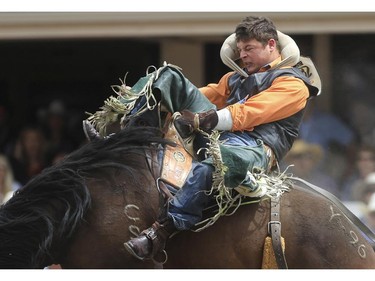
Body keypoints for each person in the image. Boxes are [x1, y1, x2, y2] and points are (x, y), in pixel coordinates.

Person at [84, 16, 320, 261]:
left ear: (272, 45)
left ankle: (161, 231)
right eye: (240, 50)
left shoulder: (293, 85)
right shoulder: (234, 78)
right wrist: (171, 99)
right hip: (222, 135)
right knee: (167, 76)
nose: (243, 56)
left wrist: (205, 120)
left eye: (249, 49)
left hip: (256, 150)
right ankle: (119, 137)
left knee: (218, 164)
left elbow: (251, 112)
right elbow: (203, 94)